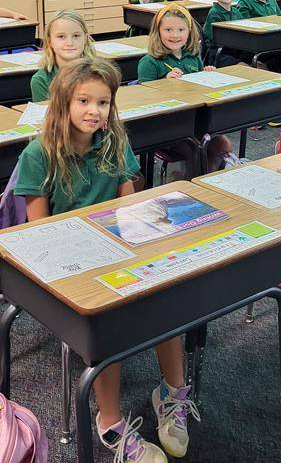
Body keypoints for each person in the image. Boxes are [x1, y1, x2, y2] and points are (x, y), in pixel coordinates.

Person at [15, 58, 198, 460]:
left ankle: (170, 394)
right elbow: (37, 232)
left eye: (103, 102)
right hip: (66, 261)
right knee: (108, 321)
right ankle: (109, 421)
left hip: (115, 250)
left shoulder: (114, 142)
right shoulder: (38, 153)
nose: (94, 111)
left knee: (166, 297)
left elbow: (130, 207)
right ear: (62, 102)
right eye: (83, 100)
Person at [137, 4, 233, 171]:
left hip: (194, 121)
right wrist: (164, 82)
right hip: (166, 127)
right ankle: (192, 182)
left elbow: (198, 91)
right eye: (168, 30)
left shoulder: (193, 57)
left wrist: (206, 74)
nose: (175, 35)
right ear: (157, 31)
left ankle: (207, 179)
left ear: (189, 32)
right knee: (195, 149)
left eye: (181, 30)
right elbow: (143, 98)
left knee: (223, 145)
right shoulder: (149, 61)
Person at [31, 9, 96, 101]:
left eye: (76, 36)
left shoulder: (98, 73)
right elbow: (46, 114)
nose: (69, 43)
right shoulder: (41, 80)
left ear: (85, 39)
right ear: (50, 42)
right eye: (61, 37)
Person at [203, 0, 247, 66]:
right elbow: (214, 39)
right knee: (243, 65)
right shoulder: (214, 13)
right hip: (219, 53)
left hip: (235, 49)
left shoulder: (236, 12)